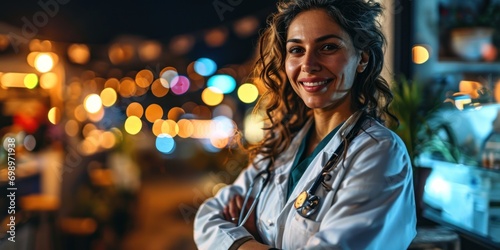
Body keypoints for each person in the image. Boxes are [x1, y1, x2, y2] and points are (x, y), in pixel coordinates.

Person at [194, 0, 417, 249]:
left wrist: (239, 241)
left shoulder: (379, 151)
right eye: (297, 50)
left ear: (362, 58)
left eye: (328, 47)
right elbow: (207, 218)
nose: (308, 65)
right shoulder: (282, 144)